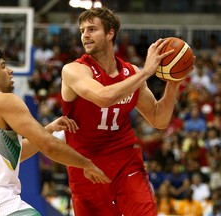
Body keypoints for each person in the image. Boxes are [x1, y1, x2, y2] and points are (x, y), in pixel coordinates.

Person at [61, 7, 195, 216]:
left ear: (110, 33)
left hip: (125, 162)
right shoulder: (74, 70)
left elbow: (159, 119)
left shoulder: (131, 72)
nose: (85, 35)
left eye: (92, 29)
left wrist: (173, 83)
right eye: (82, 30)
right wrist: (148, 71)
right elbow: (104, 97)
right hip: (86, 168)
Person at [0, 48, 111, 216]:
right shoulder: (3, 100)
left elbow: (15, 154)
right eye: (3, 67)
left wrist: (48, 129)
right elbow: (48, 146)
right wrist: (87, 164)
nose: (10, 71)